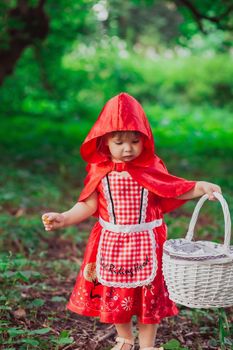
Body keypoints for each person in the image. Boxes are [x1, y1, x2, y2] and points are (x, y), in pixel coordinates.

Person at [42, 93, 221, 350]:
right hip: (112, 241)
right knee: (117, 294)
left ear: (144, 139)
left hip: (147, 241)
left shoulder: (151, 166)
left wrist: (199, 187)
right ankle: (124, 339)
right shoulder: (99, 170)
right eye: (119, 142)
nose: (128, 149)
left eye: (135, 141)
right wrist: (64, 217)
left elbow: (172, 188)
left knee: (148, 295)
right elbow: (89, 204)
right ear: (104, 141)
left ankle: (147, 344)